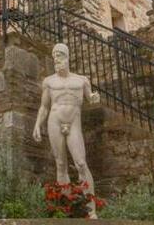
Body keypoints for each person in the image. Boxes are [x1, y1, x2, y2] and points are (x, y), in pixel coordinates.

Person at [33, 42, 100, 218]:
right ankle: (68, 208)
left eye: (60, 55)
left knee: (81, 163)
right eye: (54, 56)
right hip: (54, 121)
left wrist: (93, 98)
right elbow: (44, 107)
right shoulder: (49, 81)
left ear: (67, 57)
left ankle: (91, 210)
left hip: (73, 123)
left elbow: (90, 98)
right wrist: (37, 125)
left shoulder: (81, 80)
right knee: (60, 164)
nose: (57, 58)